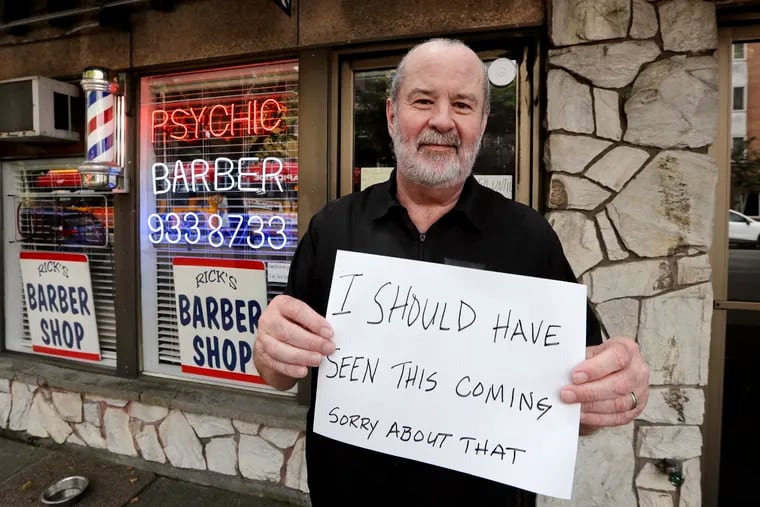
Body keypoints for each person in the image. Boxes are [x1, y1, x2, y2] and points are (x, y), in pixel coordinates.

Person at [254, 38, 650, 505]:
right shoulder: (334, 227)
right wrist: (268, 353)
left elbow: (578, 396)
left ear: (482, 123)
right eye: (423, 100)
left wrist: (617, 389)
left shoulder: (528, 238)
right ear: (390, 113)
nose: (442, 120)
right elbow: (280, 373)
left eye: (462, 105)